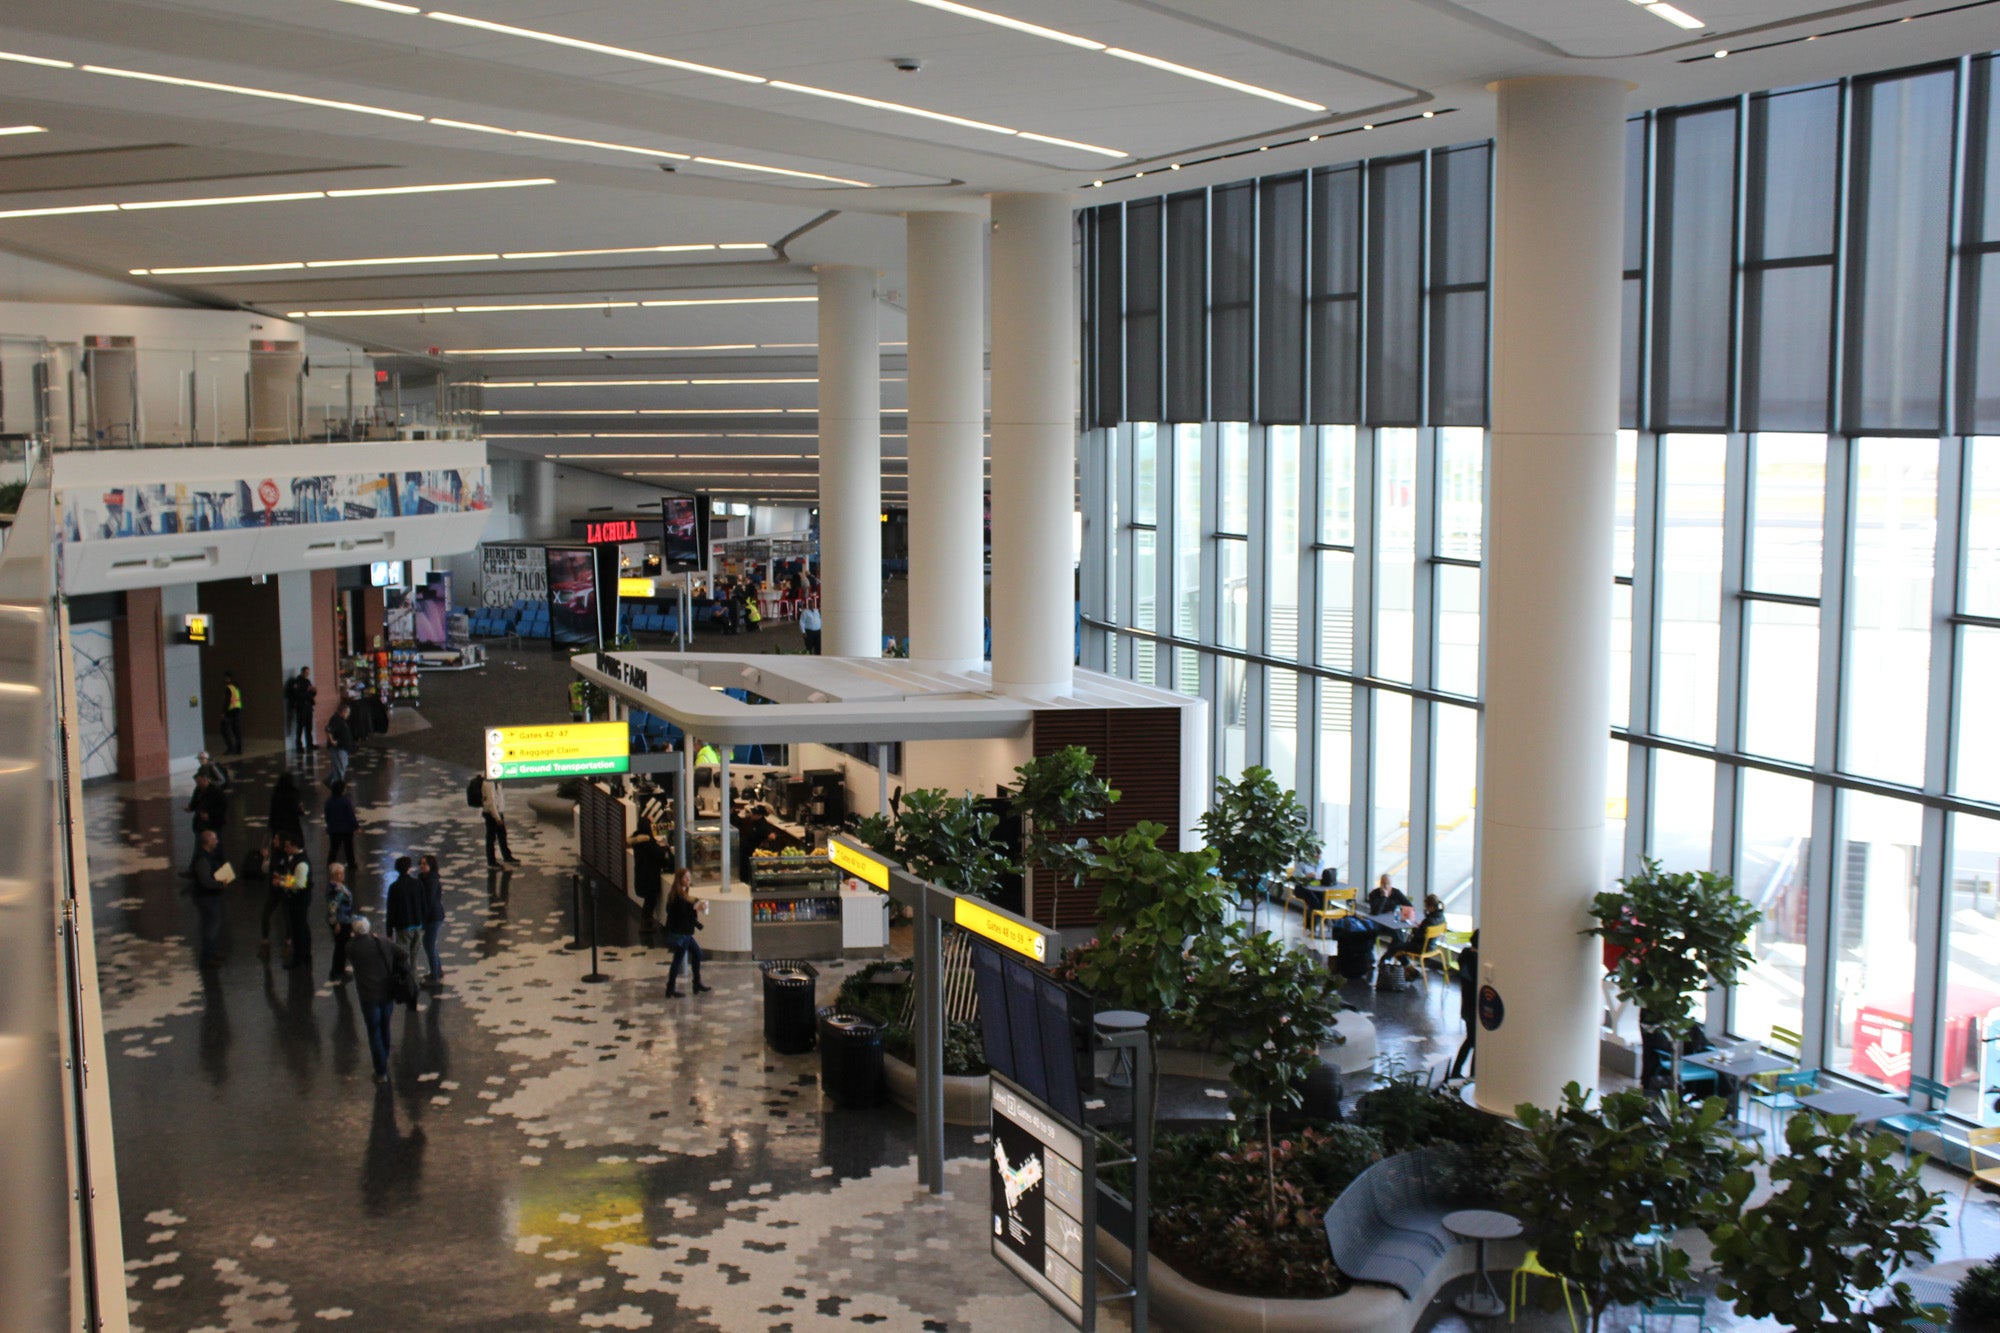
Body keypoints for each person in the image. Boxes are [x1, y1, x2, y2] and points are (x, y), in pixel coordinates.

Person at [346, 916, 404, 1085]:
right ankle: (383, 1058)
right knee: (385, 1027)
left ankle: (381, 1071)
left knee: (374, 1032)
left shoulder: (351, 948)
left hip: (368, 997)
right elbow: (403, 954)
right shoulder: (382, 943)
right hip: (386, 993)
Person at [662, 869, 709, 998]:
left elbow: (687, 905)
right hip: (683, 933)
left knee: (690, 956)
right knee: (683, 958)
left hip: (683, 932)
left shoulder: (678, 893)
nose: (689, 879)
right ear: (680, 879)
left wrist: (696, 905)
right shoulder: (678, 896)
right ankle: (677, 987)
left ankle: (680, 986)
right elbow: (684, 912)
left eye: (689, 877)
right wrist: (696, 908)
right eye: (686, 877)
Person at [186, 828, 229, 968]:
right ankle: (207, 957)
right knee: (210, 927)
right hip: (206, 897)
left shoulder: (208, 855)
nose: (217, 841)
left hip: (209, 896)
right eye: (214, 839)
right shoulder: (203, 859)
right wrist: (219, 884)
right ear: (207, 842)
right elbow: (205, 881)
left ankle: (212, 952)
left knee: (212, 926)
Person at [385, 855, 424, 996]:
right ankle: (414, 984)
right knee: (414, 958)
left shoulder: (394, 887)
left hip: (403, 927)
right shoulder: (417, 884)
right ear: (409, 868)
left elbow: (390, 910)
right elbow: (423, 904)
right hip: (418, 925)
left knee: (403, 959)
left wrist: (389, 930)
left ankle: (406, 986)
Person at [274, 832, 314, 971]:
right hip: (300, 899)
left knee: (298, 930)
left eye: (288, 846)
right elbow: (296, 879)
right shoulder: (297, 859)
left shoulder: (301, 863)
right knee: (302, 927)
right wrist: (285, 880)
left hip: (299, 900)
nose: (285, 848)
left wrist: (281, 883)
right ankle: (306, 956)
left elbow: (299, 884)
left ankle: (299, 958)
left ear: (295, 846)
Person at [627, 818, 669, 936]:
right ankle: (645, 925)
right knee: (650, 900)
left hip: (641, 874)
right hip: (650, 875)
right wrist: (664, 847)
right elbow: (658, 854)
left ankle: (647, 923)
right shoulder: (647, 842)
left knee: (648, 900)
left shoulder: (637, 839)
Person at [1449, 929, 1480, 1081]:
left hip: (1467, 1005)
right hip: (1475, 1007)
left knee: (1470, 1040)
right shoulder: (1476, 962)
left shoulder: (1465, 956)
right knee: (1476, 1042)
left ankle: (1456, 1072)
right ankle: (1473, 1076)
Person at [326, 861, 357, 983]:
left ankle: (340, 969)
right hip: (342, 921)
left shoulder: (337, 886)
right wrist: (335, 923)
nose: (343, 875)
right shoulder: (336, 889)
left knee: (342, 946)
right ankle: (336, 971)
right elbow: (332, 907)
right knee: (341, 947)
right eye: (340, 873)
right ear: (335, 875)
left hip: (345, 918)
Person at [417, 854, 445, 985]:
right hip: (434, 916)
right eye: (421, 863)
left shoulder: (431, 881)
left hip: (433, 917)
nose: (422, 866)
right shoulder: (425, 878)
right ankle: (437, 970)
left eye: (425, 864)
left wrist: (422, 921)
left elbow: (428, 902)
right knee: (430, 944)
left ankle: (434, 975)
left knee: (429, 945)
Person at [480, 776, 520, 866]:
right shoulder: (489, 783)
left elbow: (498, 798)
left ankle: (506, 856)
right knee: (491, 838)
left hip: (498, 813)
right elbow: (491, 802)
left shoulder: (497, 782)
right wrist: (497, 817)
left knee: (502, 836)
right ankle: (492, 861)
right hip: (492, 814)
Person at [323, 779, 359, 872]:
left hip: (334, 829)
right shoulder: (346, 801)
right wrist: (356, 826)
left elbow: (327, 816)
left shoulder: (328, 801)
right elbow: (351, 815)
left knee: (334, 848)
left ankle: (330, 864)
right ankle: (351, 864)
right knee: (349, 848)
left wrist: (329, 825)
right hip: (346, 830)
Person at [185, 769, 227, 837]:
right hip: (200, 824)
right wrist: (190, 807)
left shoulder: (216, 791)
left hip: (214, 824)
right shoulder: (198, 789)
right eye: (196, 782)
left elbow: (223, 807)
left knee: (213, 843)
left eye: (199, 782)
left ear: (205, 780)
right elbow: (194, 802)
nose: (198, 784)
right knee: (201, 843)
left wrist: (210, 815)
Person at [285, 666, 317, 752]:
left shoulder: (307, 681)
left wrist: (313, 691)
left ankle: (309, 743)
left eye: (308, 673)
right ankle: (299, 746)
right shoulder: (297, 682)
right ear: (302, 672)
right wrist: (307, 692)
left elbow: (311, 694)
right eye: (306, 672)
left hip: (308, 707)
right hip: (301, 707)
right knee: (300, 727)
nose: (307, 674)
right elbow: (298, 694)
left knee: (308, 726)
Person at [325, 701, 354, 787]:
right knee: (340, 767)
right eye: (347, 713)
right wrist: (332, 741)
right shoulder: (335, 719)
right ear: (343, 712)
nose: (348, 715)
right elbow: (328, 730)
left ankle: (330, 781)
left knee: (340, 766)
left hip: (343, 747)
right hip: (338, 748)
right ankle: (339, 786)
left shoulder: (341, 720)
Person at [220, 670, 244, 755]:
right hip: (237, 710)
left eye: (225, 678)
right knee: (237, 730)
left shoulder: (229, 688)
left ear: (227, 678)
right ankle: (239, 749)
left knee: (224, 730)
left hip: (230, 711)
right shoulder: (236, 686)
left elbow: (227, 701)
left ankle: (230, 748)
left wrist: (223, 712)